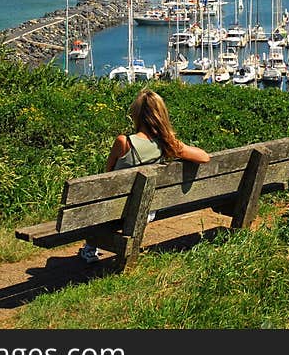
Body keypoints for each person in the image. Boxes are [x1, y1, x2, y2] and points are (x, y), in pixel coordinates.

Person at [79, 88, 210, 263]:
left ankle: (90, 247)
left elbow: (106, 176)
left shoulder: (123, 142)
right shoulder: (167, 143)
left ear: (136, 114)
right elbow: (204, 157)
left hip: (115, 210)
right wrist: (173, 143)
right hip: (148, 210)